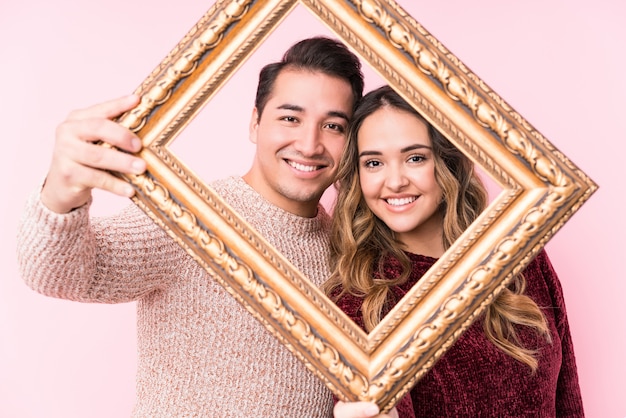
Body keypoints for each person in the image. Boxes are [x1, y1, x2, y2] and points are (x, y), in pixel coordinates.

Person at [16, 36, 395, 418]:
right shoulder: (191, 219)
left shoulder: (350, 255)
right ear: (255, 123)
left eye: (333, 125)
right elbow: (58, 274)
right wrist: (62, 194)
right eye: (290, 118)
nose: (310, 144)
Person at [323, 85, 585, 417]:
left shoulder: (518, 255)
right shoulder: (359, 304)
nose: (395, 181)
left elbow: (568, 399)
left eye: (415, 158)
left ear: (446, 162)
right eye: (373, 163)